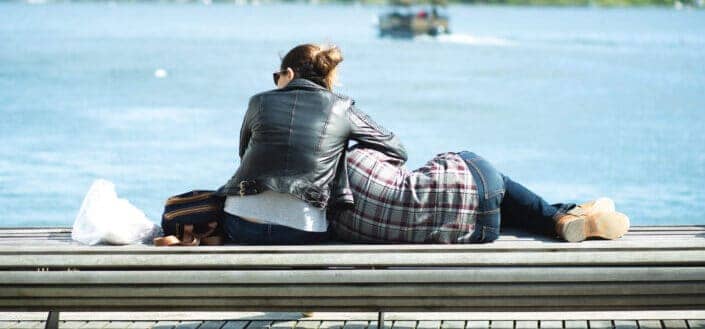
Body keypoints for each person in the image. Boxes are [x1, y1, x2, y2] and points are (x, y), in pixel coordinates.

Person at [216, 43, 407, 245]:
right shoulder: (341, 107)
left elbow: (243, 153)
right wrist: (341, 156)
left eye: (276, 77)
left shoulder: (258, 102)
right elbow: (396, 148)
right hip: (302, 229)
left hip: (241, 223)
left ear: (288, 74)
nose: (275, 83)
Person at [329, 145, 630, 243]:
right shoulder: (358, 156)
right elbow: (398, 152)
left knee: (494, 204)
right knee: (478, 171)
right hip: (481, 188)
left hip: (482, 229)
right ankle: (563, 215)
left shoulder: (335, 221)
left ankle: (573, 214)